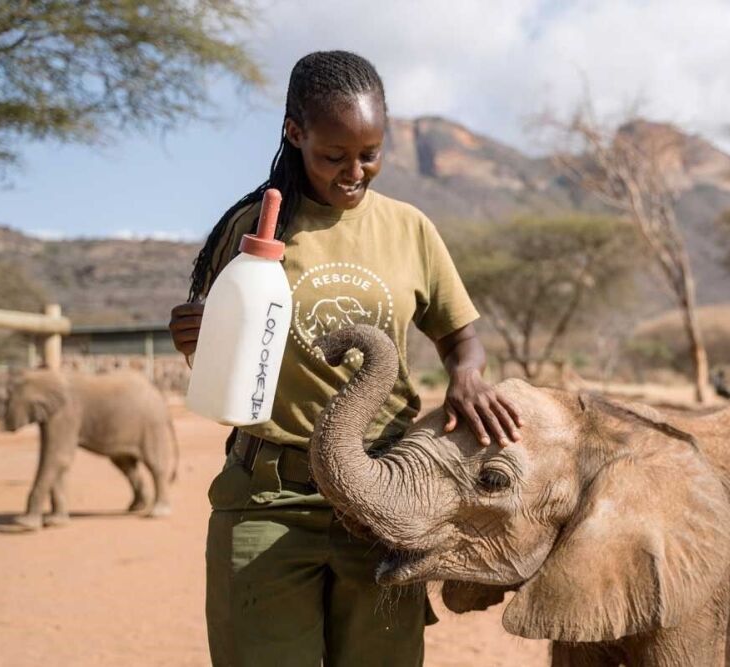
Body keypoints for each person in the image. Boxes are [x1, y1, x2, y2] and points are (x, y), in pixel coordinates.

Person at [168, 51, 521, 667]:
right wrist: (197, 339)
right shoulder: (254, 228)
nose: (355, 172)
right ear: (295, 133)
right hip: (269, 498)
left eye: (370, 154)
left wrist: (467, 375)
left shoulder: (411, 229)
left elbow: (461, 337)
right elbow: (223, 359)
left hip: (382, 497)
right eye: (335, 156)